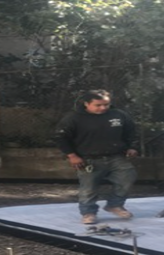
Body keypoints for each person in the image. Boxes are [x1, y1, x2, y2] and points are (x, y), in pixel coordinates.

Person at [56, 90, 139, 224]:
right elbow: (61, 138)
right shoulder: (73, 118)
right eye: (98, 105)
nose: (103, 108)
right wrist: (72, 155)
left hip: (117, 156)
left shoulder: (119, 115)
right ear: (86, 104)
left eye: (106, 104)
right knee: (88, 188)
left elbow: (131, 132)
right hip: (88, 158)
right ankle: (88, 212)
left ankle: (115, 205)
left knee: (128, 178)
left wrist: (132, 147)